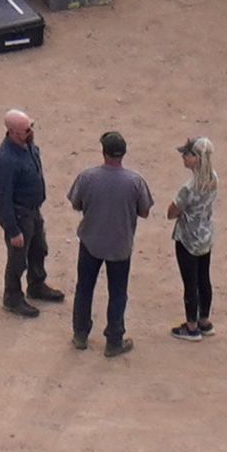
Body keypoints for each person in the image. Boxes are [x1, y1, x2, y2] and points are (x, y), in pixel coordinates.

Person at [66, 128, 157, 356]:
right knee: (117, 293)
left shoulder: (87, 177)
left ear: (103, 152)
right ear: (123, 154)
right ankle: (114, 340)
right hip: (120, 245)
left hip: (90, 242)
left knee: (84, 288)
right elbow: (144, 211)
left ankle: (80, 334)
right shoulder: (135, 182)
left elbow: (76, 203)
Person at [0, 111, 55, 318]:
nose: (30, 132)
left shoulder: (27, 146)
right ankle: (12, 297)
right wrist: (12, 229)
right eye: (25, 130)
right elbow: (4, 198)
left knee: (39, 249)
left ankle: (36, 284)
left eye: (30, 127)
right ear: (11, 132)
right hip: (20, 215)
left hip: (33, 210)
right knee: (18, 259)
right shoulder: (6, 160)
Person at [168, 136, 218, 340]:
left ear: (196, 158)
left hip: (188, 237)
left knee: (190, 282)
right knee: (204, 278)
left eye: (187, 155)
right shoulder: (214, 178)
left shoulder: (188, 188)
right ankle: (204, 320)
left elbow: (172, 212)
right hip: (205, 235)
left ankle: (191, 326)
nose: (184, 157)